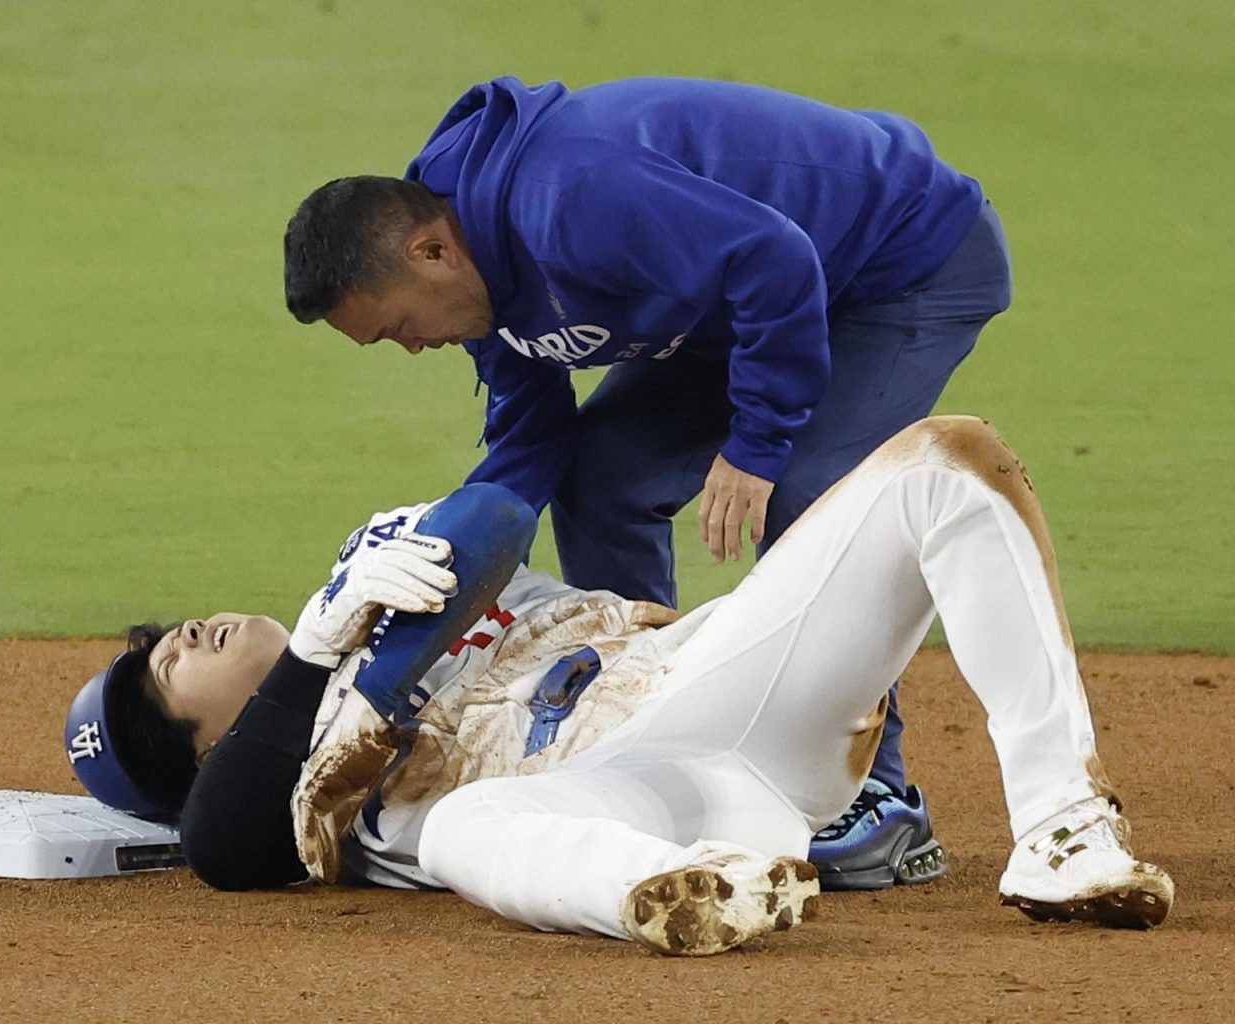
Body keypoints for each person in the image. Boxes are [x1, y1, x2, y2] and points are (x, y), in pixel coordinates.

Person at [64, 417, 1172, 955]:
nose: (186, 632)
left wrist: (367, 641)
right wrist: (310, 669)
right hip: (619, 808)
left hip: (718, 683)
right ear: (206, 749)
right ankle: (688, 891)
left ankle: (1067, 832)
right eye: (171, 668)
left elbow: (494, 515)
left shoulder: (376, 570)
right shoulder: (283, 797)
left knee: (946, 459)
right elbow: (221, 852)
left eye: (168, 636)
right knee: (462, 828)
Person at [282, 76, 1015, 888]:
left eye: (398, 328)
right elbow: (531, 449)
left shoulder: (571, 197)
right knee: (600, 479)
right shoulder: (476, 284)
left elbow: (776, 259)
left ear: (430, 252)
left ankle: (876, 797)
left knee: (809, 491)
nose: (412, 348)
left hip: (897, 262)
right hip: (736, 306)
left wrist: (758, 442)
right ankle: (636, 734)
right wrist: (452, 552)